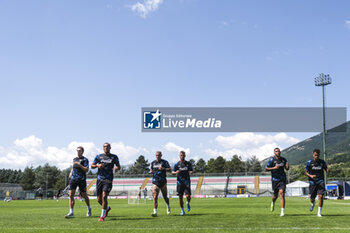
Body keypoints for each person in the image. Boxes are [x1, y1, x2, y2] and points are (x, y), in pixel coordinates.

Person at [91, 142, 120, 222]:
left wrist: (116, 168)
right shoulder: (99, 156)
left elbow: (118, 166)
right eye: (104, 147)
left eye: (107, 147)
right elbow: (92, 166)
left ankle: (102, 217)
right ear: (103, 148)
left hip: (108, 179)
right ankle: (107, 208)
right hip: (99, 179)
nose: (106, 148)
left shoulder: (114, 157)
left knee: (104, 196)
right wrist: (97, 165)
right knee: (99, 199)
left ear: (110, 148)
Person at [65, 146, 91, 218]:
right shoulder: (75, 159)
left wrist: (79, 165)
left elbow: (86, 169)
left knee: (84, 195)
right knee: (71, 195)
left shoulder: (85, 159)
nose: (78, 152)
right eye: (77, 151)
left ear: (82, 151)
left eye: (79, 151)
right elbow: (73, 167)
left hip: (81, 179)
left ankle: (89, 208)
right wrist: (71, 172)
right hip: (73, 179)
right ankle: (71, 212)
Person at [305, 148, 330, 217]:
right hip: (312, 182)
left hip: (320, 181)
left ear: (319, 155)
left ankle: (319, 212)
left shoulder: (322, 162)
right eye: (315, 155)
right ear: (313, 155)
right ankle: (313, 203)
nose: (317, 156)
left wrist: (328, 170)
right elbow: (305, 172)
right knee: (312, 198)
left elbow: (326, 169)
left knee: (321, 196)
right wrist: (310, 175)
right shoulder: (309, 162)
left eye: (318, 155)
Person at [265, 147, 289, 217]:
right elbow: (266, 169)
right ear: (274, 152)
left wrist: (287, 167)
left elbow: (287, 169)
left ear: (280, 152)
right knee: (275, 196)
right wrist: (274, 168)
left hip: (282, 179)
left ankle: (282, 212)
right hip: (275, 180)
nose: (277, 152)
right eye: (276, 151)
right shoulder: (272, 160)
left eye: (278, 151)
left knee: (281, 194)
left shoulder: (283, 160)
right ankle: (273, 202)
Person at [150, 151, 171, 217]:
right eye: (156, 155)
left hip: (163, 181)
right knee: (155, 197)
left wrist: (163, 168)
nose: (157, 156)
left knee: (165, 197)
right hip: (155, 181)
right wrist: (151, 171)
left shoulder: (164, 162)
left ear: (161, 155)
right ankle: (155, 212)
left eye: (158, 155)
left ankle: (168, 205)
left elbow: (170, 170)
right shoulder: (153, 163)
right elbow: (151, 170)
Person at [172, 151, 193, 216]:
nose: (182, 156)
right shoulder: (177, 164)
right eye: (181, 155)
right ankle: (182, 210)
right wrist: (176, 172)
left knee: (188, 196)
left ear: (185, 156)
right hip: (179, 182)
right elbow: (172, 172)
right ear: (179, 156)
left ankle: (187, 202)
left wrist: (191, 172)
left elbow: (191, 170)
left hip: (186, 181)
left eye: (183, 155)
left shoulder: (188, 163)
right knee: (180, 197)